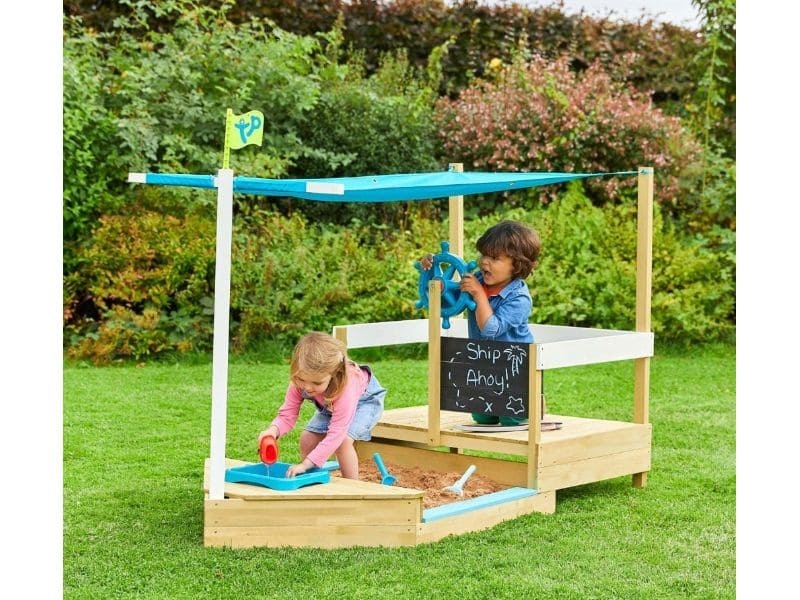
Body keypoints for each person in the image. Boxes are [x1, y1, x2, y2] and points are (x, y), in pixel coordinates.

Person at [421, 219, 541, 426]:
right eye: (484, 255)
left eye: (494, 258)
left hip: (513, 368)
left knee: (511, 419)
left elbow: (490, 329)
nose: (484, 262)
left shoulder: (519, 299)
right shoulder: (478, 280)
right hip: (483, 363)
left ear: (517, 265)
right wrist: (434, 277)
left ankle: (535, 404)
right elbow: (449, 301)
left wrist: (478, 294)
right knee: (482, 418)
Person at [257, 332, 386, 480]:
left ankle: (352, 486)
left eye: (316, 382)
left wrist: (306, 463)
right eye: (301, 379)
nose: (307, 387)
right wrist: (273, 431)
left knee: (343, 442)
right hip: (330, 404)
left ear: (334, 374)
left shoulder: (346, 386)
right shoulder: (300, 380)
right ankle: (312, 479)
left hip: (365, 402)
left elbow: (337, 433)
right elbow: (287, 414)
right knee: (308, 438)